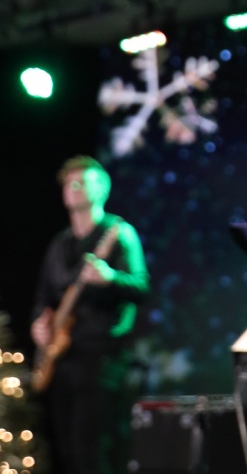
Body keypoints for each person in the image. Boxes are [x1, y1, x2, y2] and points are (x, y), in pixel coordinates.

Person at [31, 156, 150, 474]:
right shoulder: (59, 244)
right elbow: (43, 298)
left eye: (81, 181)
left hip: (101, 357)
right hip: (62, 357)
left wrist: (110, 278)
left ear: (103, 189)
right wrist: (39, 326)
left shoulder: (118, 233)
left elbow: (141, 287)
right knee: (67, 451)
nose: (73, 187)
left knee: (93, 452)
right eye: (68, 182)